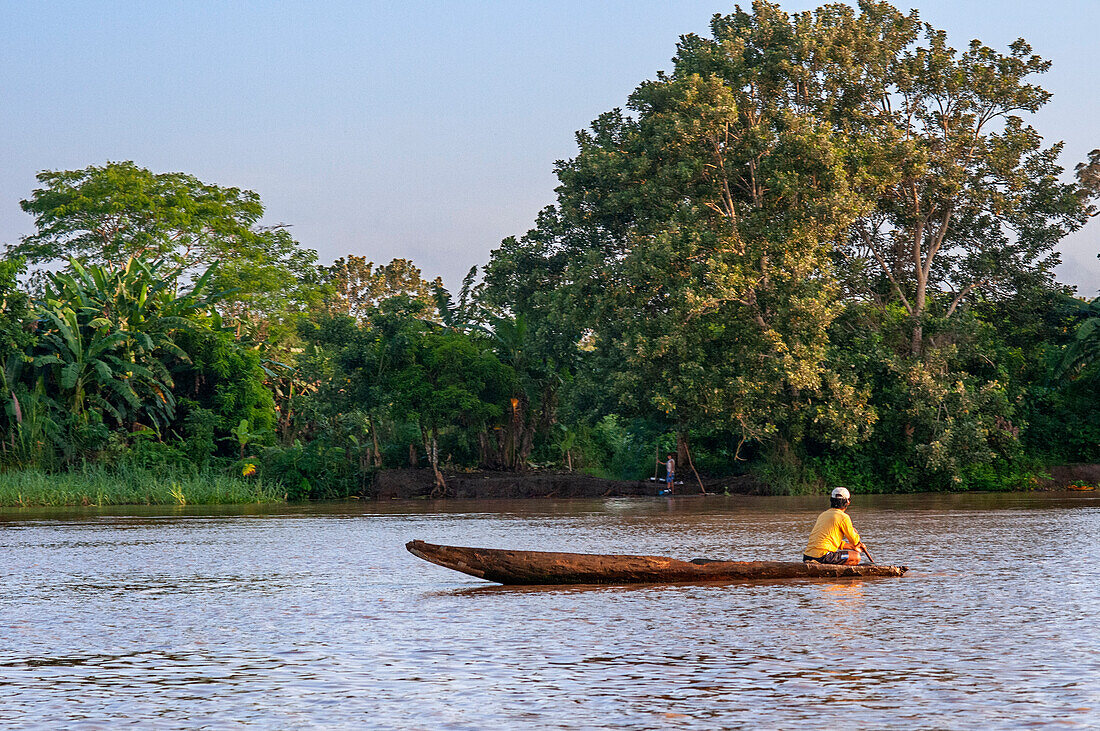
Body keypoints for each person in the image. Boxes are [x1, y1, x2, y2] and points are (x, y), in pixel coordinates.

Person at [803, 487, 869, 565]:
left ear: (831, 500)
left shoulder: (823, 515)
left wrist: (853, 547)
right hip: (823, 557)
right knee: (856, 556)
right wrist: (854, 533)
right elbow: (854, 541)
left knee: (850, 553)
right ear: (847, 502)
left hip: (807, 556)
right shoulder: (844, 517)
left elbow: (832, 541)